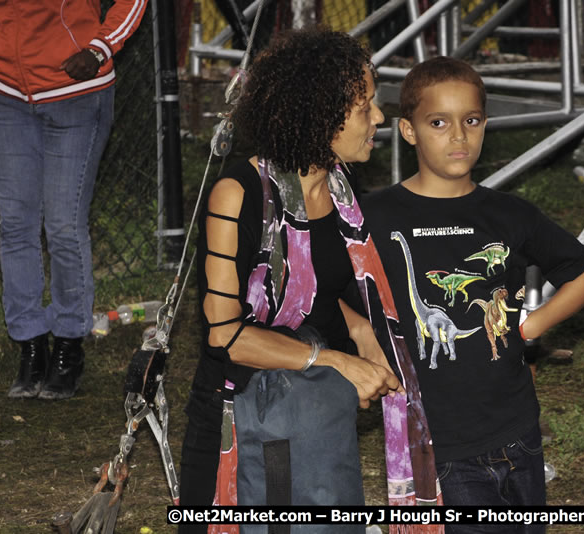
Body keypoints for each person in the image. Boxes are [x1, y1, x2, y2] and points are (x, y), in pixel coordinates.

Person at [179, 28, 414, 534]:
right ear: (320, 115)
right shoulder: (237, 195)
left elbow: (314, 289)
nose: (378, 117)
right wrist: (336, 361)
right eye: (365, 106)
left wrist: (363, 332)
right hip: (238, 413)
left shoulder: (342, 195)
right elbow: (227, 334)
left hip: (313, 414)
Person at [363, 56, 584, 534]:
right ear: (408, 131)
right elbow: (332, 292)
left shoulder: (508, 214)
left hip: (518, 433)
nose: (458, 136)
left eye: (470, 121)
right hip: (441, 445)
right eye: (439, 122)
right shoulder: (375, 217)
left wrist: (531, 325)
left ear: (485, 125)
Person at [0, 1, 147, 400]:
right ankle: (30, 346)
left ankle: (68, 345)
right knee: (16, 226)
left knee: (62, 226)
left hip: (77, 93)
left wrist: (100, 47)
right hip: (8, 96)